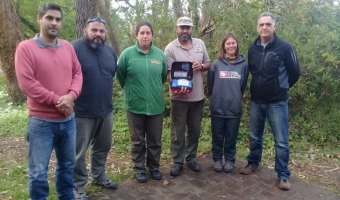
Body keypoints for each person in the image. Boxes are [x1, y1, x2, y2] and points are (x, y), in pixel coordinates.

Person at [14, 3, 83, 200]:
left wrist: (71, 96)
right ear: (39, 19)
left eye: (58, 19)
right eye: (49, 18)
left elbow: (77, 73)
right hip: (41, 122)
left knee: (67, 166)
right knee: (38, 173)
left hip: (68, 121)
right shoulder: (25, 48)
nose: (54, 22)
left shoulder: (68, 47)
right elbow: (27, 83)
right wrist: (57, 101)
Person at [239, 12, 300, 190]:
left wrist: (282, 88)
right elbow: (250, 72)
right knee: (254, 136)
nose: (264, 27)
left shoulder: (285, 47)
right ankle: (253, 163)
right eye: (261, 25)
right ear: (257, 27)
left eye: (268, 24)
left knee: (281, 141)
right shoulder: (253, 49)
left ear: (274, 26)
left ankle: (283, 174)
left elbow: (295, 73)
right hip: (257, 101)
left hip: (277, 102)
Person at [71, 17, 118, 199]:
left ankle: (99, 176)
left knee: (103, 146)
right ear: (85, 31)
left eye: (101, 31)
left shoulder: (109, 51)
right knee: (78, 152)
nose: (98, 34)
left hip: (105, 110)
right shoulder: (73, 49)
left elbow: (112, 73)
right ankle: (77, 185)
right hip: (81, 112)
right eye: (94, 30)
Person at [117, 21, 167, 183]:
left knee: (155, 140)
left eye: (148, 33)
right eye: (142, 33)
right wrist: (133, 92)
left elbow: (163, 77)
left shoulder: (159, 55)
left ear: (152, 35)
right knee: (137, 141)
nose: (145, 36)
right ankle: (139, 169)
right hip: (134, 106)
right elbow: (121, 76)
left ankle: (154, 167)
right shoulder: (127, 54)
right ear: (136, 35)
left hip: (155, 105)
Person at [164, 16, 211, 176]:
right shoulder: (170, 48)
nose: (184, 30)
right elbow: (170, 73)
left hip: (197, 97)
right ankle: (178, 162)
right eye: (182, 27)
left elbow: (208, 63)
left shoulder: (200, 44)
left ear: (192, 29)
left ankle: (191, 158)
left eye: (187, 27)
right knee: (177, 132)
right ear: (176, 29)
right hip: (178, 98)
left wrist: (202, 66)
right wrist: (177, 86)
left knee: (195, 130)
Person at [207, 33, 248, 173]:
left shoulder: (243, 65)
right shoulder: (215, 65)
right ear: (223, 46)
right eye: (228, 43)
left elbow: (242, 86)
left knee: (231, 137)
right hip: (218, 107)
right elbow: (210, 86)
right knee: (217, 136)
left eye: (233, 43)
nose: (231, 45)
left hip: (234, 108)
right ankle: (217, 159)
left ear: (236, 45)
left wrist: (235, 97)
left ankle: (230, 160)